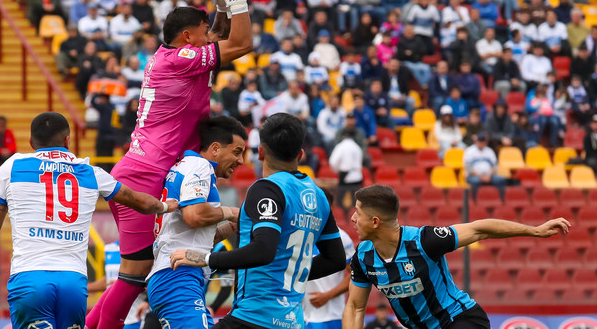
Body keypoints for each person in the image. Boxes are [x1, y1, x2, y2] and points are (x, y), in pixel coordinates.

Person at [87, 0, 254, 329]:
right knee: (133, 274)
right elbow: (241, 43)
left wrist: (220, 2)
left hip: (142, 169)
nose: (209, 38)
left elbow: (220, 37)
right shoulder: (181, 59)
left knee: (133, 273)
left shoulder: (176, 58)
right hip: (143, 175)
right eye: (203, 32)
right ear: (187, 38)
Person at [0, 112, 180, 329]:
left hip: (30, 278)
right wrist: (167, 206)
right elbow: (141, 202)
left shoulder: (12, 167)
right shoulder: (91, 172)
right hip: (72, 282)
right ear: (67, 140)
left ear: (31, 143)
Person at [170, 113, 346, 329]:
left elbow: (264, 250)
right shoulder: (319, 195)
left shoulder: (267, 189)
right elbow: (336, 260)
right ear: (301, 154)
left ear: (260, 152)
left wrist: (206, 259)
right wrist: (288, 274)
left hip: (254, 318)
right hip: (293, 322)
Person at [343, 184, 571, 329]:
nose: (352, 218)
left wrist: (535, 231)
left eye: (358, 213)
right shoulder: (362, 258)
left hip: (459, 320)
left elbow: (479, 229)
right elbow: (355, 308)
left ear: (375, 221)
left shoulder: (423, 241)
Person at [147, 117, 247, 329]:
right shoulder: (200, 166)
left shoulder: (187, 166)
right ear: (215, 148)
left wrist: (231, 227)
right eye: (237, 152)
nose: (241, 161)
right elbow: (193, 216)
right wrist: (230, 212)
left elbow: (195, 236)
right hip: (177, 276)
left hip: (174, 274)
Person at [303, 190, 355, 329]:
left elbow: (355, 274)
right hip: (301, 316)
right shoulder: (300, 235)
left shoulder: (341, 238)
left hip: (330, 316)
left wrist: (328, 295)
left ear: (330, 208)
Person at [87, 240, 148, 329]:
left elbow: (149, 283)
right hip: (111, 316)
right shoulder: (109, 248)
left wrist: (124, 285)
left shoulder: (143, 247)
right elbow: (107, 280)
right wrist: (82, 289)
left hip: (136, 318)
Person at [463, 132, 507, 200]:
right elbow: (468, 168)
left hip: (489, 176)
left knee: (500, 180)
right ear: (476, 141)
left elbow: (494, 166)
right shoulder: (469, 151)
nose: (481, 143)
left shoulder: (489, 151)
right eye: (479, 140)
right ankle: (474, 201)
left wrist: (489, 176)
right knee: (476, 181)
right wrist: (480, 177)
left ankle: (501, 200)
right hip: (474, 176)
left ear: (485, 142)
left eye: (483, 141)